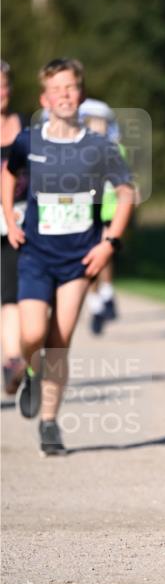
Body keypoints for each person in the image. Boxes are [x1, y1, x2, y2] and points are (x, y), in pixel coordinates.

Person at [1, 58, 134, 455]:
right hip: (35, 253)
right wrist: (10, 215)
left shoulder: (99, 146)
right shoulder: (29, 141)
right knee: (31, 334)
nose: (64, 94)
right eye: (56, 89)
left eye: (71, 87)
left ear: (81, 93)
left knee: (59, 340)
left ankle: (49, 423)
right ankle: (29, 368)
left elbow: (125, 192)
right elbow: (9, 174)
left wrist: (109, 243)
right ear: (44, 98)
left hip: (79, 258)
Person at [78, 98, 123, 334]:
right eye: (92, 122)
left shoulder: (116, 149)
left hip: (110, 213)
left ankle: (105, 293)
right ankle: (96, 303)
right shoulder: (77, 151)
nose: (97, 127)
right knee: (91, 260)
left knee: (104, 254)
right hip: (86, 214)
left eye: (101, 122)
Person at [0, 60, 27, 394]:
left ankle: (12, 360)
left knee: (11, 293)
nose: (1, 92)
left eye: (5, 85)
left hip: (17, 222)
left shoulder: (26, 126)